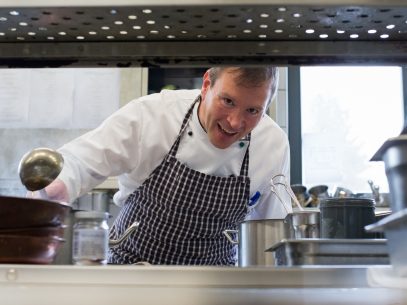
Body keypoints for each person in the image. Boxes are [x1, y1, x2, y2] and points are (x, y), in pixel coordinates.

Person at [42, 66, 291, 265]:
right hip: (133, 275)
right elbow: (81, 160)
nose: (236, 122)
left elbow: (275, 230)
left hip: (216, 285)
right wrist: (56, 187)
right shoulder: (154, 115)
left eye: (253, 110)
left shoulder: (272, 144)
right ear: (206, 85)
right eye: (227, 101)